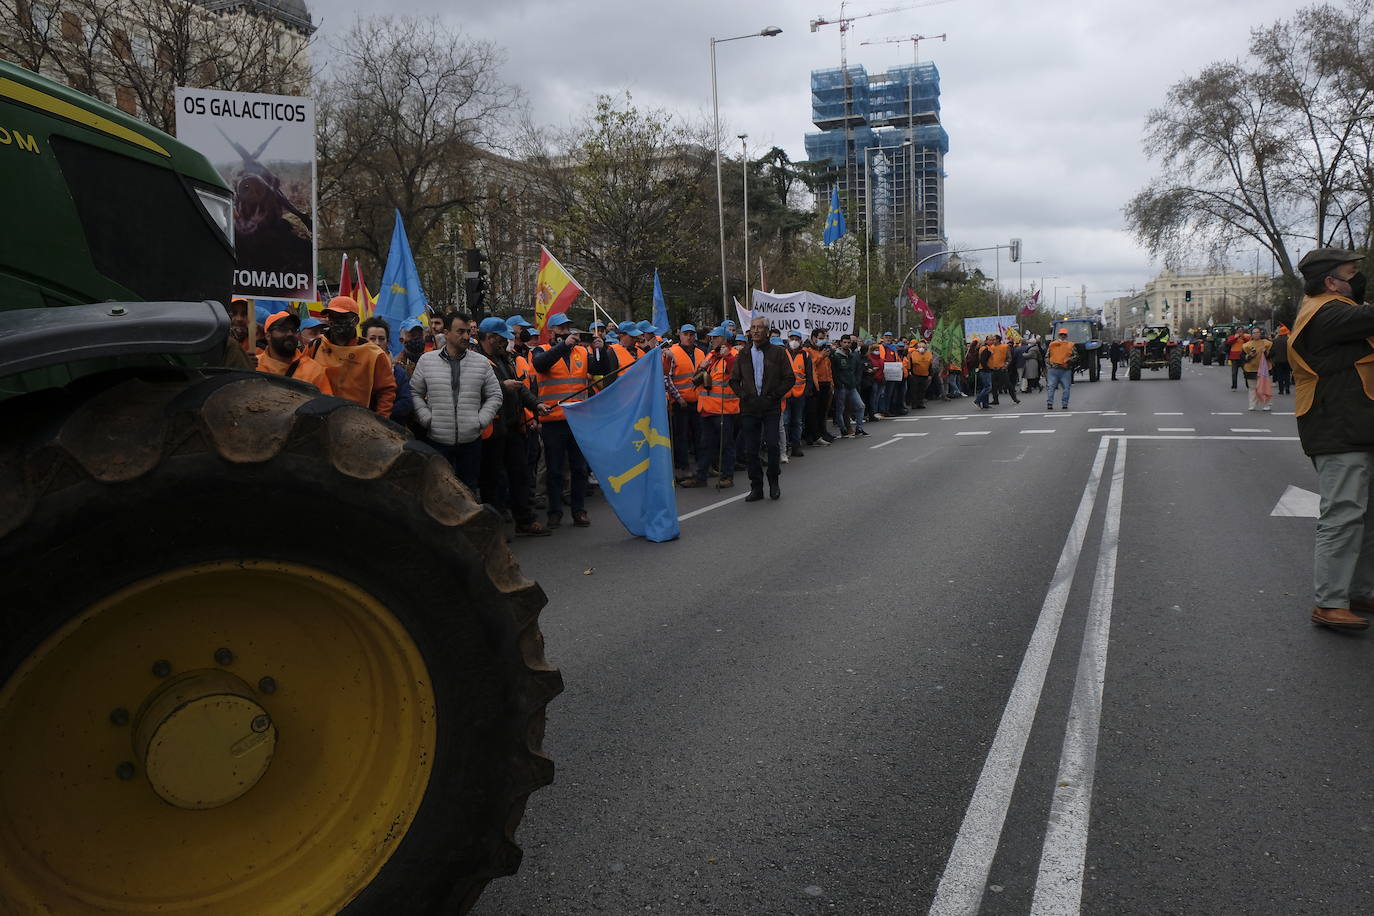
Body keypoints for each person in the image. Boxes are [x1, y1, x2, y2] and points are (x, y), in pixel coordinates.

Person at [1287, 247, 1374, 630]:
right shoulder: (1326, 312)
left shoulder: (1335, 309)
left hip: (1354, 426)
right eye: (1351, 271)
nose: (1358, 276)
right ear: (1330, 281)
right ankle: (1330, 601)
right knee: (1343, 514)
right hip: (1338, 430)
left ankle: (1358, 591)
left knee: (1364, 516)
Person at [532, 313, 615, 528]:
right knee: (555, 469)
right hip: (553, 420)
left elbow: (601, 368)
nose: (566, 331)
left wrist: (600, 348)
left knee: (578, 468)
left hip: (578, 419)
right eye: (561, 328)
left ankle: (579, 511)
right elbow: (540, 365)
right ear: (551, 332)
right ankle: (555, 511)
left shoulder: (581, 351)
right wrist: (563, 346)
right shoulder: (542, 350)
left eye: (568, 327)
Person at [410, 311, 502, 493]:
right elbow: (414, 392)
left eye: (468, 331)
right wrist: (426, 418)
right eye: (460, 331)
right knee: (439, 491)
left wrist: (480, 421)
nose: (466, 336)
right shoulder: (427, 361)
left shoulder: (481, 362)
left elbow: (495, 395)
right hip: (438, 441)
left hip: (470, 443)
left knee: (468, 492)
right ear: (446, 332)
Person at [475, 316, 550, 536]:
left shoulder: (504, 359)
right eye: (502, 339)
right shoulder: (476, 360)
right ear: (490, 338)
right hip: (492, 430)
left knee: (520, 475)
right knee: (493, 481)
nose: (506, 342)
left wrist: (536, 404)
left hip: (513, 427)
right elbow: (473, 389)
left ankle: (525, 521)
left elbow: (519, 388)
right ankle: (494, 529)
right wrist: (501, 386)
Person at [729, 316, 793, 502]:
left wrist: (774, 395)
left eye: (759, 327)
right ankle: (756, 487)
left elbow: (789, 378)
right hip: (749, 408)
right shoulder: (744, 354)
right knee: (751, 449)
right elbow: (733, 380)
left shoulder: (778, 353)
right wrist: (744, 396)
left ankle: (773, 482)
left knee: (772, 445)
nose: (755, 330)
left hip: (771, 407)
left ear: (767, 331)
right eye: (753, 327)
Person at [309, 296, 397, 416]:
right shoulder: (315, 345)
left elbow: (386, 391)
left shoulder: (374, 354)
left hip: (357, 423)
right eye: (332, 316)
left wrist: (379, 423)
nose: (336, 321)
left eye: (342, 317)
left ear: (355, 321)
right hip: (318, 419)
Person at [683, 326, 738, 489]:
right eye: (711, 337)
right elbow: (699, 378)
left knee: (726, 444)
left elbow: (737, 374)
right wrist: (702, 366)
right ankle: (701, 477)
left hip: (724, 410)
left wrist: (728, 358)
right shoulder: (711, 355)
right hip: (707, 408)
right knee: (705, 444)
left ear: (725, 340)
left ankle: (727, 476)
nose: (712, 339)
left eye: (715, 337)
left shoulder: (734, 355)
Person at [255, 310, 332, 392]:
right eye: (282, 329)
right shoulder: (253, 366)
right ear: (268, 336)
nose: (290, 333)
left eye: (293, 329)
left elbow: (327, 403)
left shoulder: (314, 371)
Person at [668, 323, 704, 483]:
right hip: (680, 402)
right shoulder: (672, 353)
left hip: (698, 401)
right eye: (686, 334)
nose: (689, 337)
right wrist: (677, 397)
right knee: (681, 437)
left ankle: (701, 467)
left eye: (692, 334)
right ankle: (683, 468)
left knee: (699, 435)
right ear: (680, 335)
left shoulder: (701, 353)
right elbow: (666, 378)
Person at [361, 316, 413, 423]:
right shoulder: (356, 368)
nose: (377, 343)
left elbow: (406, 402)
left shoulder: (398, 373)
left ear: (387, 342)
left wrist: (382, 415)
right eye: (372, 338)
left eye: (381, 338)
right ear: (364, 340)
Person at [783, 330, 814, 457]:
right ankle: (784, 447)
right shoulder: (783, 353)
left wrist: (807, 391)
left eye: (796, 338)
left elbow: (809, 375)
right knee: (785, 421)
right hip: (785, 393)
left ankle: (796, 446)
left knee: (797, 421)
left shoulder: (805, 355)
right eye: (792, 338)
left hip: (800, 394)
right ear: (788, 339)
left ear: (800, 341)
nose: (794, 341)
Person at [830, 334, 867, 437]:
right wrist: (839, 384)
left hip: (851, 386)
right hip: (841, 387)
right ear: (840, 343)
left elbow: (857, 370)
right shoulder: (836, 356)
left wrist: (856, 381)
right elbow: (834, 372)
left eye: (848, 342)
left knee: (860, 406)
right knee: (840, 409)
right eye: (844, 342)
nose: (846, 344)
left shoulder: (853, 356)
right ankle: (843, 429)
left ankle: (859, 428)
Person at [804, 329, 836, 446]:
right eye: (821, 338)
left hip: (825, 383)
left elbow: (828, 368)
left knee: (823, 411)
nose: (823, 340)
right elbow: (810, 365)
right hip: (815, 384)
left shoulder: (824, 350)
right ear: (813, 337)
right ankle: (813, 435)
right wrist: (821, 356)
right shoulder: (807, 350)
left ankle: (823, 432)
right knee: (814, 412)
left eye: (824, 338)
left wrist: (831, 382)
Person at [1241, 327, 1273, 412]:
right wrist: (1250, 355)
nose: (1256, 334)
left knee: (1265, 387)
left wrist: (1266, 353)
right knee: (1252, 388)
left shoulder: (1267, 344)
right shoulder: (1246, 345)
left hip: (1264, 369)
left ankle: (1266, 404)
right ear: (1251, 334)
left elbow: (1272, 355)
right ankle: (1252, 405)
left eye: (1257, 332)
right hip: (1251, 369)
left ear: (1260, 333)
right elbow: (1242, 357)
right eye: (1254, 333)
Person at [1045, 327, 1075, 410]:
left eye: (1064, 334)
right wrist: (1049, 365)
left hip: (1065, 370)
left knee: (1065, 387)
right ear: (1059, 335)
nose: (1063, 336)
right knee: (1052, 387)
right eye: (1061, 334)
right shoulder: (1052, 344)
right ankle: (1050, 403)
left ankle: (1064, 403)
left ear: (1066, 335)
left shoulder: (1070, 345)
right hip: (1054, 370)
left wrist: (1069, 360)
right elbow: (1047, 356)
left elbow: (1076, 356)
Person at [905, 338, 933, 409]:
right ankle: (914, 404)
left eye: (923, 347)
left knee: (922, 390)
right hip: (915, 374)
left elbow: (930, 365)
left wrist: (930, 374)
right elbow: (910, 364)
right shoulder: (913, 354)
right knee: (914, 390)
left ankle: (920, 403)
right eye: (920, 347)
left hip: (925, 375)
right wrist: (910, 372)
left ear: (926, 348)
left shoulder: (929, 354)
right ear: (917, 348)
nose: (921, 348)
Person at [1270, 324, 1292, 395]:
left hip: (1278, 361)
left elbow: (1272, 351)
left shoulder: (1275, 341)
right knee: (1287, 375)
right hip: (1287, 360)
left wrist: (1270, 358)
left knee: (1280, 375)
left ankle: (1281, 390)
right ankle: (1287, 388)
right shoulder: (1289, 340)